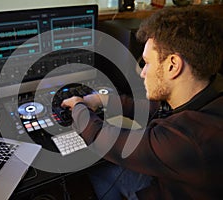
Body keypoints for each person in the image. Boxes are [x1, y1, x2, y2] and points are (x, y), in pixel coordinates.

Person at [61, 6, 223, 200]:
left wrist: (79, 107)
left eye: (147, 62)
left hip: (161, 192)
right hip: (173, 182)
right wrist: (101, 99)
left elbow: (101, 139)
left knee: (99, 169)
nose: (143, 72)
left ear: (173, 66)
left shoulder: (187, 140)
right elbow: (152, 109)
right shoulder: (210, 97)